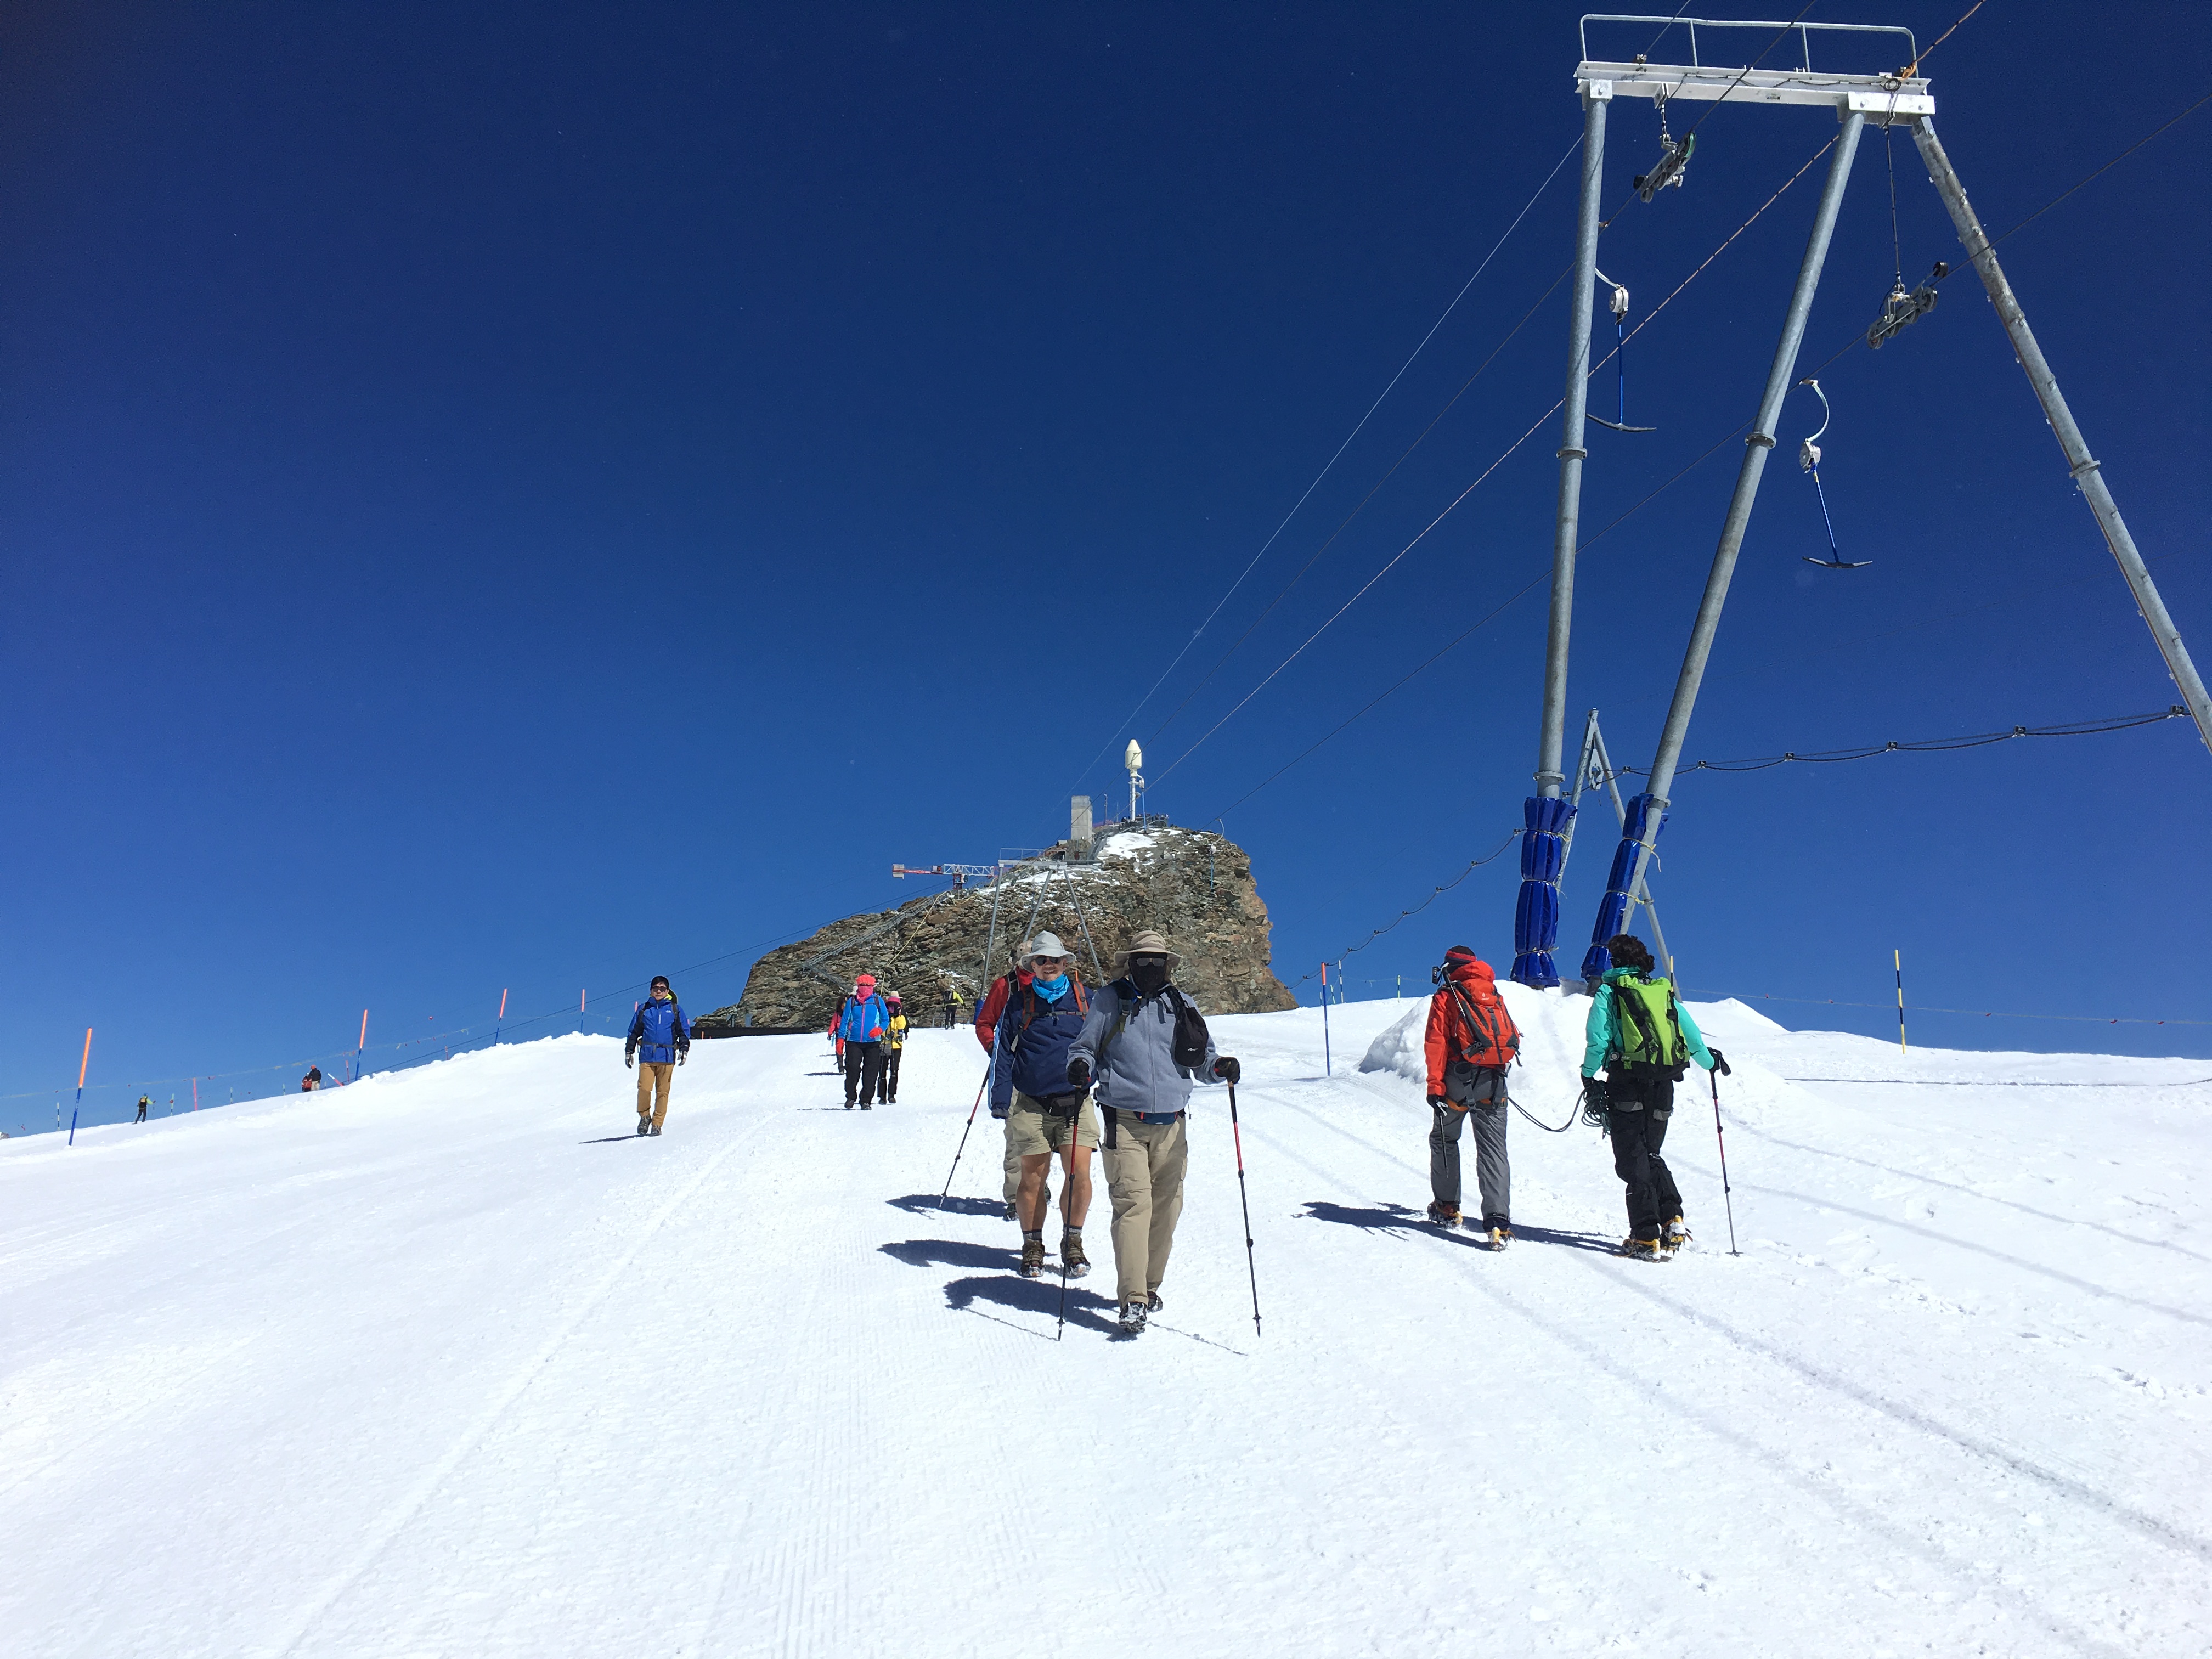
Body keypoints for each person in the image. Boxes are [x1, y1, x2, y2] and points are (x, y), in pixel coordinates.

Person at [1066, 930, 1239, 1336]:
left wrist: (1220, 1069)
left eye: (1156, 961)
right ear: (1131, 962)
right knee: (1134, 1207)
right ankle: (1133, 1300)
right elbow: (1084, 1046)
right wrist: (1080, 1067)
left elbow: (1202, 1058)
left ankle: (1149, 1286)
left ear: (1167, 965)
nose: (1149, 967)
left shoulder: (1181, 1004)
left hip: (1173, 1125)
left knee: (1167, 1210)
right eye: (1142, 960)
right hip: (1123, 1120)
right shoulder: (1109, 999)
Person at [1581, 934, 1724, 1259]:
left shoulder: (1609, 991)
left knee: (1632, 1158)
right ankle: (1672, 1217)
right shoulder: (1662, 991)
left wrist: (1588, 1074)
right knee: (1651, 1153)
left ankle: (1645, 1235)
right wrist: (1710, 1062)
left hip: (1626, 1082)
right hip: (1664, 1082)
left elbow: (1598, 1041)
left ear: (1614, 962)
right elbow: (1691, 1035)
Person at [991, 934, 1097, 1280]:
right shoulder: (1018, 1003)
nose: (1048, 965)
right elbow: (1003, 1052)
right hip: (1032, 1103)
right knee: (1033, 1177)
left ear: (1066, 963)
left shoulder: (1086, 1000)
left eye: (1054, 960)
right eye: (1041, 960)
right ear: (1032, 965)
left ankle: (1073, 1241)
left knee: (1079, 1173)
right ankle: (1032, 1245)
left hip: (1076, 1102)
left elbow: (1105, 1046)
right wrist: (1001, 1097)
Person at [1423, 946, 1521, 1249]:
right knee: (1493, 1149)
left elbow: (1436, 1044)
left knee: (1445, 1138)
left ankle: (1447, 1207)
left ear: (1449, 967)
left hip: (1457, 1079)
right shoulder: (1493, 993)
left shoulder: (1447, 997)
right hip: (1494, 1081)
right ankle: (1497, 1220)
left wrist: (1435, 1086)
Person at [977, 943, 1037, 1220]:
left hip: (1041, 1069)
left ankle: (1036, 1186)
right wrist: (995, 1049)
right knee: (1015, 1133)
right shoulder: (1005, 986)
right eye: (1024, 956)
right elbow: (984, 1023)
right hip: (1012, 1070)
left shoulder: (1051, 983)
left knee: (1040, 1132)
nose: (1028, 961)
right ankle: (1015, 1195)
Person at [625, 975, 691, 1136]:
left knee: (663, 1092)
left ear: (667, 991)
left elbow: (683, 1032)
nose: (659, 991)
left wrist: (684, 1049)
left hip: (667, 1057)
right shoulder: (644, 1009)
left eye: (662, 989)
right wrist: (629, 1051)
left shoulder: (675, 1010)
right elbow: (634, 1031)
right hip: (647, 1056)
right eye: (656, 988)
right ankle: (644, 1116)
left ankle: (657, 1123)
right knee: (644, 1089)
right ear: (651, 991)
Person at [836, 973, 892, 1110]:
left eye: (868, 986)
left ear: (873, 987)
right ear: (858, 986)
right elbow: (844, 1021)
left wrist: (879, 1029)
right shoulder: (852, 1002)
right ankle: (851, 1097)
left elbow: (886, 1020)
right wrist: (840, 1040)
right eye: (863, 985)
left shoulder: (878, 1001)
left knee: (871, 1073)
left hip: (873, 1043)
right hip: (854, 1041)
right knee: (852, 1070)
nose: (865, 988)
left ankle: (866, 1100)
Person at [877, 991, 906, 1104]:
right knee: (886, 1071)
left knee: (890, 1071)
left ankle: (888, 1095)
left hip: (892, 1046)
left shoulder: (900, 1018)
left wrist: (897, 1016)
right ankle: (885, 1096)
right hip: (889, 1046)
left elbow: (901, 1026)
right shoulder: (884, 1018)